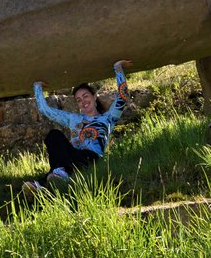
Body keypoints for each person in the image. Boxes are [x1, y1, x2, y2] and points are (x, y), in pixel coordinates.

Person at [23, 59, 132, 194]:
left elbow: (123, 96)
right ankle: (57, 177)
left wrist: (118, 68)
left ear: (94, 96)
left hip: (90, 158)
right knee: (54, 135)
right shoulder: (73, 119)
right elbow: (46, 111)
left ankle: (42, 183)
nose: (83, 102)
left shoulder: (108, 118)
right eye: (78, 100)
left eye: (85, 96)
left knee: (83, 156)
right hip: (70, 157)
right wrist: (37, 87)